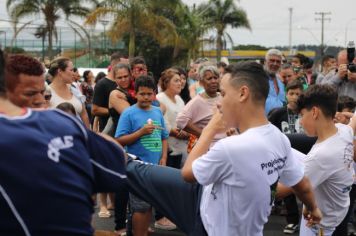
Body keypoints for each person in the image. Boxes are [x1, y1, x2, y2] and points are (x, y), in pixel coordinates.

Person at [125, 61, 322, 236]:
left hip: (203, 215)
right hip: (217, 200)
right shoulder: (279, 139)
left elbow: (187, 174)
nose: (219, 102)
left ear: (243, 93)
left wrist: (210, 128)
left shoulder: (231, 147)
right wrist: (313, 208)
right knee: (137, 169)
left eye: (224, 94)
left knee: (136, 170)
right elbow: (302, 185)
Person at [0, 48, 127, 236]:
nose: (39, 100)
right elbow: (117, 163)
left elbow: (116, 162)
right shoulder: (63, 121)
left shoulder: (62, 121)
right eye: (29, 94)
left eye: (43, 95)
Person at [279, 84, 354, 236]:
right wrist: (348, 115)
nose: (300, 122)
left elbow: (280, 192)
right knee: (283, 149)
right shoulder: (343, 130)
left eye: (301, 115)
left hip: (319, 226)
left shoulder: (320, 156)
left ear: (314, 112)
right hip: (335, 210)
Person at [115, 76, 169, 236]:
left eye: (149, 94)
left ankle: (142, 231)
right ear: (135, 94)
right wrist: (141, 132)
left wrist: (164, 157)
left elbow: (164, 136)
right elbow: (119, 139)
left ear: (154, 94)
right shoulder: (129, 113)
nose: (146, 97)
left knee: (149, 203)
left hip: (155, 166)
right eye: (142, 94)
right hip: (137, 167)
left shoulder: (157, 111)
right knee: (140, 205)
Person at [47, 57, 90, 128]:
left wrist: (88, 135)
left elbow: (84, 114)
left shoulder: (74, 88)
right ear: (60, 71)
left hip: (78, 136)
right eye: (71, 70)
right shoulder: (47, 92)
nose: (74, 73)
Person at [92, 52, 127, 132]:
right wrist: (114, 111)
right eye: (123, 65)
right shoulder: (102, 84)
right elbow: (95, 109)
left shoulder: (125, 82)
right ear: (115, 65)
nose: (126, 68)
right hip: (108, 131)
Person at [264, 49, 285, 114]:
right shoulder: (257, 79)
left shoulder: (281, 82)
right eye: (272, 60)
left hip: (279, 121)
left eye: (278, 61)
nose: (275, 64)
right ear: (265, 62)